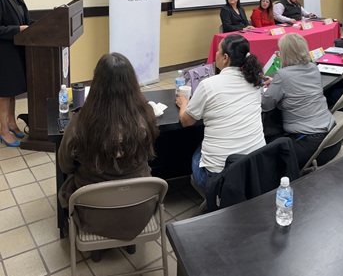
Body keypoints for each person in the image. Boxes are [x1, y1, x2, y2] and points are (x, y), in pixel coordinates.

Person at [58, 53, 158, 239]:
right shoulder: (147, 116)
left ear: (97, 84)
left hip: (95, 215)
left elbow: (65, 165)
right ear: (132, 84)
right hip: (140, 210)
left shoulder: (81, 123)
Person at [176, 35, 266, 189]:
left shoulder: (208, 85)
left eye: (218, 50)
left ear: (225, 58)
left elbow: (186, 121)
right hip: (255, 170)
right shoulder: (255, 82)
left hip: (220, 180)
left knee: (197, 151)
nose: (215, 54)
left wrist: (184, 103)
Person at [262, 34, 338, 168]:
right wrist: (278, 83)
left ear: (285, 53)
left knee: (264, 156)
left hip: (311, 147)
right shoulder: (313, 67)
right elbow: (298, 82)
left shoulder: (283, 75)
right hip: (333, 138)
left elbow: (265, 105)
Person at [0, 0, 32, 147]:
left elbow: (24, 20)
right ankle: (3, 130)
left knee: (12, 91)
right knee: (4, 93)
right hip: (4, 53)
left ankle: (11, 123)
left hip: (15, 51)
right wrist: (17, 29)